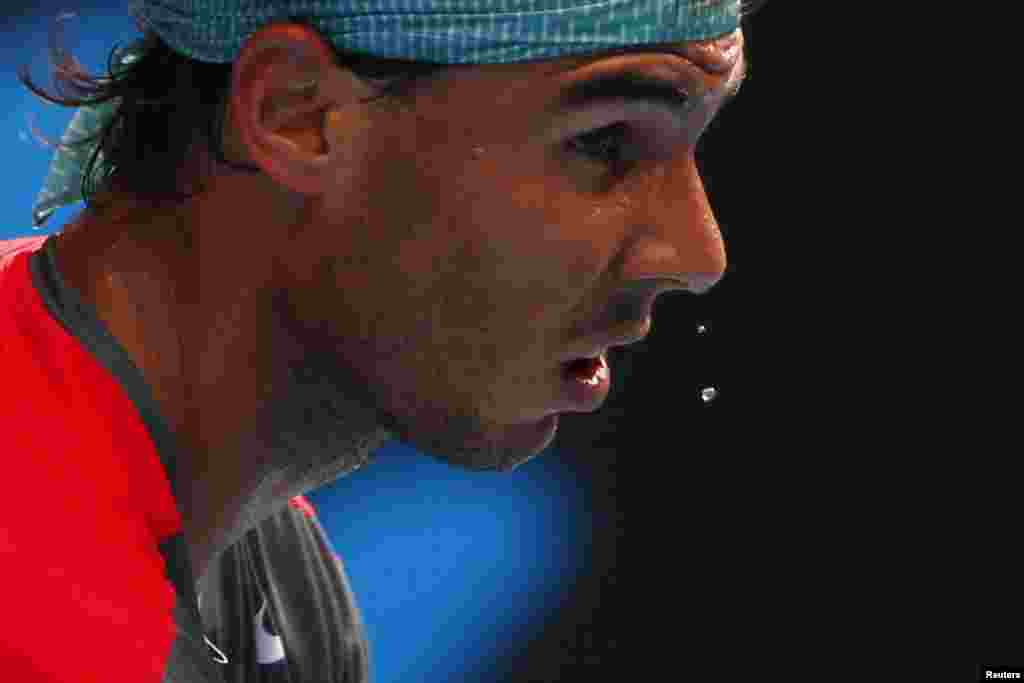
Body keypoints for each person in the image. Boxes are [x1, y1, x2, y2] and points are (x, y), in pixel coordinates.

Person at [0, 0, 760, 680]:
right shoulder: (37, 624)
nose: (698, 254)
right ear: (297, 112)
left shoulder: (272, 571)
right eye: (604, 143)